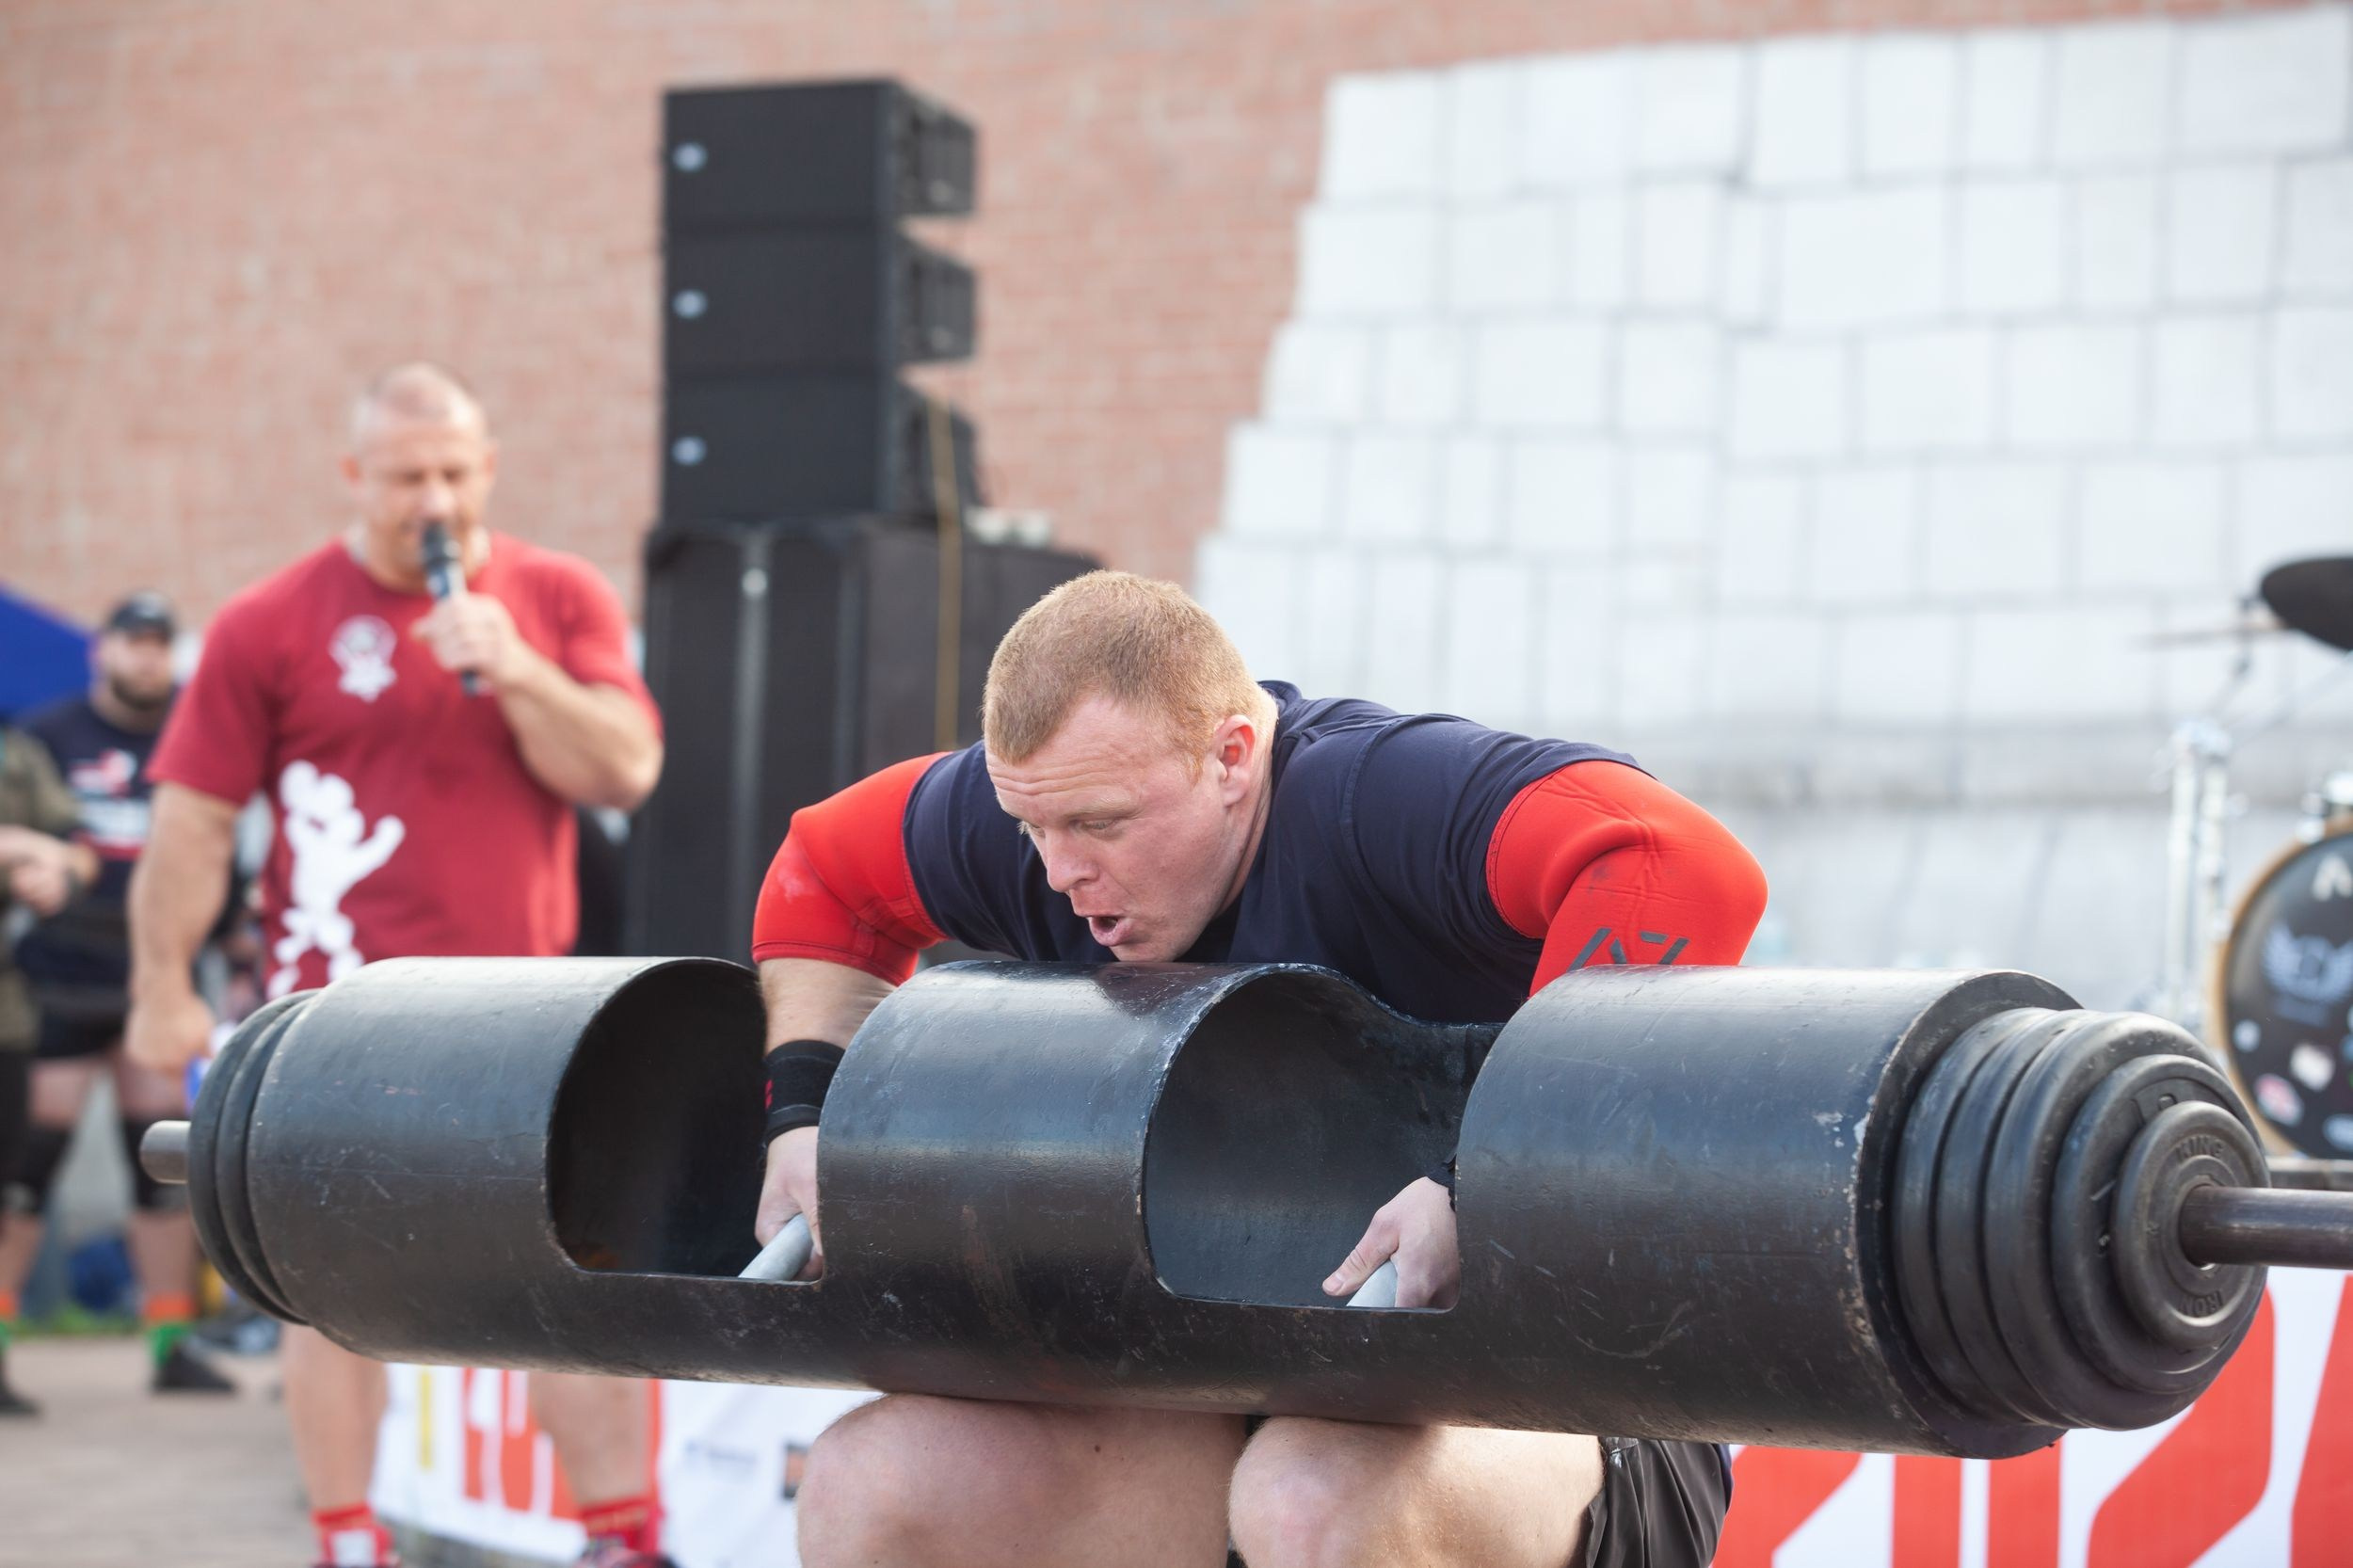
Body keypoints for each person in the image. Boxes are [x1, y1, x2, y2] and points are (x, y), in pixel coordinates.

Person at [746, 571, 1770, 1568]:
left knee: (1307, 1501)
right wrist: (800, 1115)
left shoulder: (1380, 795)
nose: (1058, 875)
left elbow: (1678, 861)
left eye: (1102, 825)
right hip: (1211, 1394)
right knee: (873, 1488)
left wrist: (1498, 1181)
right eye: (1033, 829)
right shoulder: (1051, 811)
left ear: (1233, 756)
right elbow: (821, 876)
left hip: (1554, 1397)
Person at [123, 364, 673, 1568]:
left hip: (521, 1013)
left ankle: (625, 1540)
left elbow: (625, 770)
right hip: (335, 1015)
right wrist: (160, 984)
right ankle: (346, 1538)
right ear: (355, 477)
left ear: (488, 466)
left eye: (454, 470)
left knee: (568, 1278)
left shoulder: (553, 594)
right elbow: (194, 817)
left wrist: (516, 664)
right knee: (328, 1291)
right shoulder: (273, 621)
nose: (434, 497)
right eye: (407, 474)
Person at [4, 590, 239, 1402]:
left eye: (158, 645)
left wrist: (235, 937)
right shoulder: (48, 736)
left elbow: (220, 848)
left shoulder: (195, 729)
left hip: (154, 978)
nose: (146, 658)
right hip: (58, 978)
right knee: (27, 1172)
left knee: (164, 1171)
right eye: (132, 643)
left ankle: (170, 1345)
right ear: (101, 649)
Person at [0, 723, 95, 1415]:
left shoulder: (17, 752)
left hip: (7, 1014)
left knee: (7, 1196)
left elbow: (83, 850)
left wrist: (53, 867)